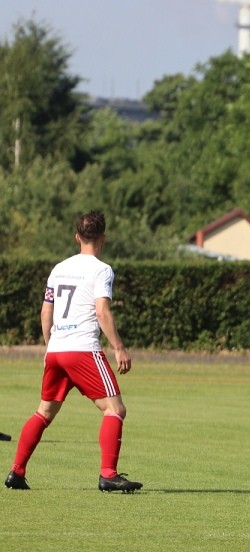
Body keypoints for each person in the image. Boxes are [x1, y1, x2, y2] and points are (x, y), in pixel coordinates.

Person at [5, 211, 141, 493]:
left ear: (77, 237)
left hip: (56, 349)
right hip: (82, 349)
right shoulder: (102, 270)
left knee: (43, 412)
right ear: (104, 237)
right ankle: (108, 475)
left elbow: (46, 311)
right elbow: (102, 311)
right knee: (115, 409)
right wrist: (119, 347)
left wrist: (49, 346)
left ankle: (16, 472)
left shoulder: (59, 268)